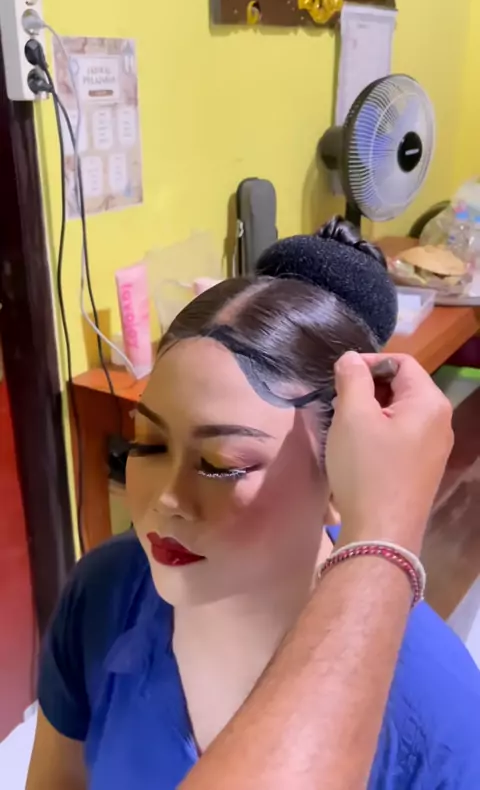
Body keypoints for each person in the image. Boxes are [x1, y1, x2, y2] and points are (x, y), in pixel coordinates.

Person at [27, 222, 480, 790]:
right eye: (148, 444)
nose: (167, 499)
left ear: (342, 481)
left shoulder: (441, 719)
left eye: (220, 463)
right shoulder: (105, 593)